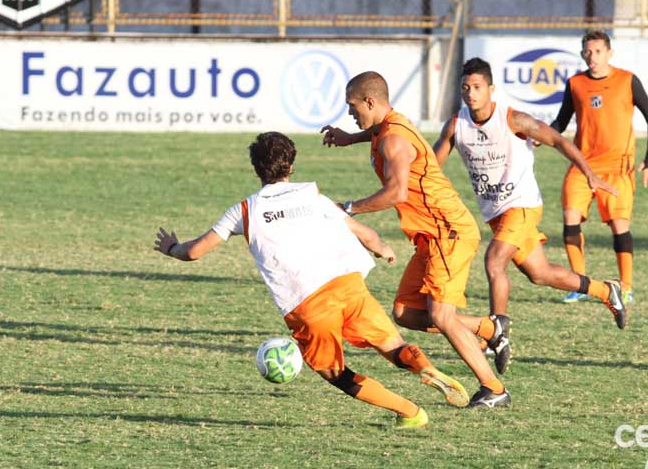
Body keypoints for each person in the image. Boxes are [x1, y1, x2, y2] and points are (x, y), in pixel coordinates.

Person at [154, 131, 471, 429]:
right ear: (290, 166)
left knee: (336, 373)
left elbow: (194, 251)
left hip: (307, 303)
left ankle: (410, 412)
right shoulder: (312, 196)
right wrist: (383, 249)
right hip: (348, 285)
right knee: (393, 346)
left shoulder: (244, 210)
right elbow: (364, 233)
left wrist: (171, 248)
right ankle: (425, 367)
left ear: (256, 169)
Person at [321, 71, 509, 408]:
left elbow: (396, 192)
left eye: (352, 106)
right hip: (429, 236)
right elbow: (379, 133)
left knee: (441, 315)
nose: (350, 113)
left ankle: (494, 389)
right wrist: (350, 138)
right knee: (406, 312)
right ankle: (488, 330)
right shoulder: (389, 126)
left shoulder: (393, 138)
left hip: (447, 230)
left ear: (369, 101)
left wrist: (347, 209)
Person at [433, 57, 628, 358]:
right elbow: (431, 168)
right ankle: (607, 291)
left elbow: (558, 141)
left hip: (522, 205)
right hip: (496, 214)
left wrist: (588, 173)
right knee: (541, 274)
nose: (471, 93)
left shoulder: (513, 119)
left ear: (491, 89)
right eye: (465, 87)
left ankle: (497, 332)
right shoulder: (457, 125)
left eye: (477, 87)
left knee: (494, 261)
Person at [551, 30, 648, 305]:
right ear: (581, 54)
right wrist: (538, 136)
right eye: (588, 52)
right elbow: (561, 122)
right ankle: (580, 283)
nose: (593, 57)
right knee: (570, 220)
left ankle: (626, 286)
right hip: (583, 166)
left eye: (598, 51)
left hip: (617, 168)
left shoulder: (627, 80)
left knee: (619, 227)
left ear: (610, 53)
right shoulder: (575, 83)